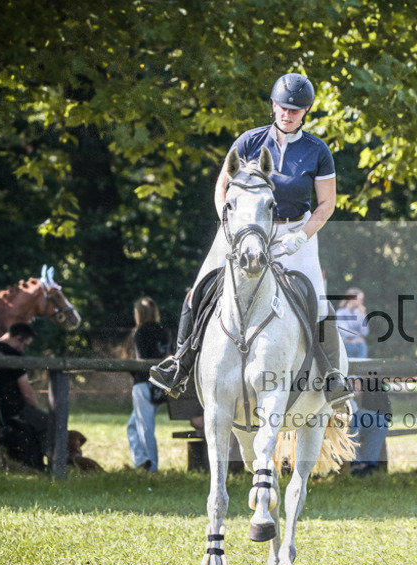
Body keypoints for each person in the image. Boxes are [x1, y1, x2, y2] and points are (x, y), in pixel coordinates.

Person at [150, 72, 352, 408]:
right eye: (283, 107)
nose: (288, 114)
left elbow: (327, 204)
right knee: (196, 291)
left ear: (306, 112)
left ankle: (331, 375)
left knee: (318, 300)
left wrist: (300, 238)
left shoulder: (318, 151)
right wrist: (229, 224)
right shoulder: (249, 142)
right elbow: (222, 188)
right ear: (273, 107)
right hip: (242, 229)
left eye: (296, 110)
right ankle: (180, 363)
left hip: (293, 231)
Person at [0, 322, 50, 470]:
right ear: (18, 338)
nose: (24, 349)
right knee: (49, 423)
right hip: (13, 409)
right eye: (25, 345)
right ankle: (50, 465)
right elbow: (27, 392)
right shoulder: (13, 355)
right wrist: (35, 409)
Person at [128, 297, 167, 472]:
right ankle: (141, 461)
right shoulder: (164, 330)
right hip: (160, 385)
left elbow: (141, 361)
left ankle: (151, 467)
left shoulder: (141, 332)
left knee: (145, 428)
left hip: (143, 384)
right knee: (133, 425)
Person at [335, 287, 370, 359]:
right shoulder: (340, 313)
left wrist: (363, 316)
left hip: (360, 346)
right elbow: (344, 332)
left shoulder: (360, 313)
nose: (361, 302)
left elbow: (365, 332)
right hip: (347, 346)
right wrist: (358, 336)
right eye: (360, 300)